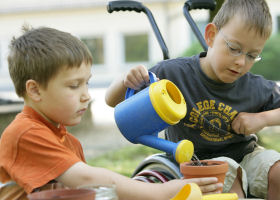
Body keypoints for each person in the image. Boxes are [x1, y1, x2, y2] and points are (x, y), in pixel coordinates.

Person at [0, 25, 222, 200]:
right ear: (35, 90)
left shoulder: (68, 142)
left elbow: (91, 191)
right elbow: (87, 179)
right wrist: (163, 193)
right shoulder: (25, 134)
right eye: (74, 86)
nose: (86, 95)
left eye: (86, 84)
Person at [105, 0, 280, 199]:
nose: (241, 62)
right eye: (233, 48)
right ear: (211, 35)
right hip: (195, 162)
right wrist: (125, 80)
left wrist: (262, 119)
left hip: (247, 155)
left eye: (252, 55)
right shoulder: (172, 73)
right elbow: (112, 101)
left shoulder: (255, 86)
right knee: (226, 182)